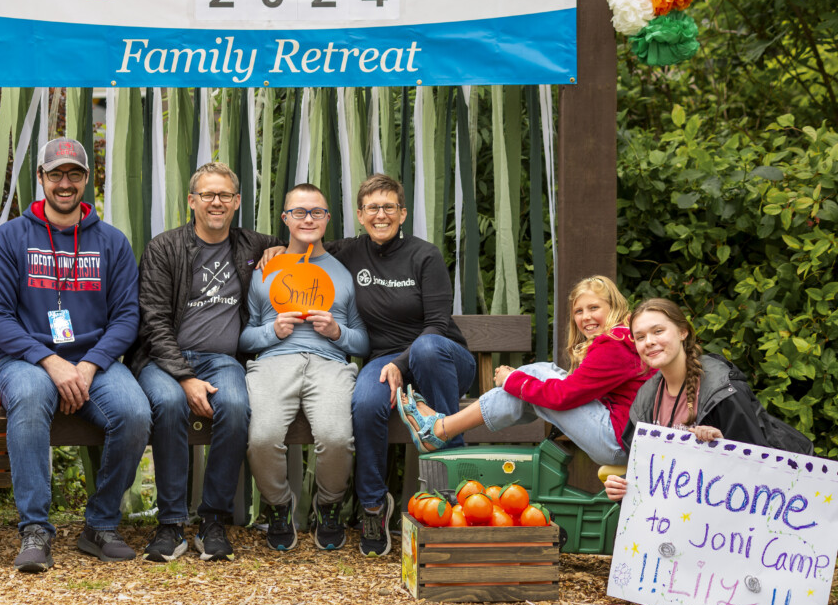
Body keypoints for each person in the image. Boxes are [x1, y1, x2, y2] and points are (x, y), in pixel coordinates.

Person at [0, 137, 150, 572]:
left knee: (133, 412)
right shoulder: (10, 238)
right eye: (55, 173)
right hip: (26, 360)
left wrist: (91, 364)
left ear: (86, 180)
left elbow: (127, 318)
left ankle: (100, 524)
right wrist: (51, 362)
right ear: (40, 178)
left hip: (96, 360)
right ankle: (35, 529)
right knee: (33, 397)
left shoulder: (112, 242)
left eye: (74, 173)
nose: (64, 183)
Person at [305, 174, 475, 557]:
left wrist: (403, 361)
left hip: (441, 357)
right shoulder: (347, 253)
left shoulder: (425, 255)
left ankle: (454, 493)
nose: (380, 215)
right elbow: (301, 242)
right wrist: (267, 252)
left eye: (389, 207)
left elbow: (436, 324)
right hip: (384, 361)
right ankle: (372, 506)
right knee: (365, 403)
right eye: (372, 208)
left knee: (428, 348)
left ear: (402, 213)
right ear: (360, 215)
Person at [130, 162, 283, 562]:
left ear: (236, 203)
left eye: (225, 196)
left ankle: (213, 518)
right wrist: (184, 377)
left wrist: (285, 250)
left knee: (234, 405)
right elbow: (153, 321)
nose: (216, 202)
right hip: (165, 361)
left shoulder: (253, 245)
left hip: (221, 361)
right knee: (169, 404)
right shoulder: (165, 248)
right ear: (191, 201)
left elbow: (313, 243)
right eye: (208, 195)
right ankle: (170, 524)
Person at [399, 275, 650, 471]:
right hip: (626, 438)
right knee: (533, 381)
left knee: (539, 374)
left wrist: (512, 379)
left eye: (594, 307)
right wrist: (517, 385)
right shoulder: (623, 339)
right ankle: (439, 429)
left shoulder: (614, 344)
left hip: (619, 443)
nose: (585, 317)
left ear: (614, 307)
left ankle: (440, 429)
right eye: (578, 311)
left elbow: (565, 395)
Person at [240, 184, 369, 552]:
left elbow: (363, 342)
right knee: (262, 438)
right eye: (299, 211)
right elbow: (243, 339)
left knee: (336, 437)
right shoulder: (266, 269)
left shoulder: (343, 274)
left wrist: (337, 331)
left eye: (317, 211)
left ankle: (328, 505)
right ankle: (279, 506)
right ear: (286, 218)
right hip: (273, 364)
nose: (308, 218)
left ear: (328, 219)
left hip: (330, 365)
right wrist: (271, 331)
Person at [603, 298, 814, 501]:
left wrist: (723, 447)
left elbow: (757, 474)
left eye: (658, 331)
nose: (649, 342)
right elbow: (645, 475)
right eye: (640, 337)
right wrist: (623, 489)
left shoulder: (725, 391)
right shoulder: (645, 399)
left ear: (683, 332)